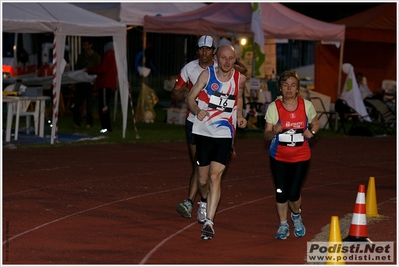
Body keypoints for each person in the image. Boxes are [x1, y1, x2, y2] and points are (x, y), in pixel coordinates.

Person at [186, 44, 247, 240]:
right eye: (223, 58)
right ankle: (203, 200)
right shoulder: (206, 75)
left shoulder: (240, 79)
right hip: (203, 131)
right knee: (202, 180)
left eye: (231, 58)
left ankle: (209, 222)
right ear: (217, 58)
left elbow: (238, 99)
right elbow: (190, 98)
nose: (227, 62)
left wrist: (240, 116)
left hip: (224, 133)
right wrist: (197, 111)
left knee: (214, 177)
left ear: (235, 60)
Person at [263, 69, 320, 240]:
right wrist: (273, 131)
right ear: (280, 88)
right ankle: (283, 224)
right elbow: (266, 135)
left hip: (301, 157)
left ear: (297, 89)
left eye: (292, 85)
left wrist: (312, 132)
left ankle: (296, 215)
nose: (289, 89)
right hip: (278, 157)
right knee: (281, 192)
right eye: (285, 85)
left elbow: (316, 124)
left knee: (293, 193)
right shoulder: (274, 107)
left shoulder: (306, 106)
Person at [173, 35, 218, 223]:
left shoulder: (221, 67)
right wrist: (187, 92)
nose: (205, 52)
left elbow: (242, 74)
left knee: (203, 164)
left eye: (208, 49)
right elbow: (175, 93)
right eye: (202, 49)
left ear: (214, 51)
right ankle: (197, 202)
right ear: (197, 51)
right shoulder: (189, 68)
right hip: (193, 120)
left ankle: (194, 202)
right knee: (198, 163)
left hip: (215, 121)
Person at [86, 42, 117, 133]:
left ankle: (106, 127)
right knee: (104, 105)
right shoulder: (115, 56)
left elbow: (103, 69)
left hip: (105, 84)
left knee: (103, 106)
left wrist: (91, 69)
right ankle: (106, 127)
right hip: (110, 84)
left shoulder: (109, 55)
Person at [73, 38, 101, 128]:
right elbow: (77, 68)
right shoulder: (81, 56)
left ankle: (89, 122)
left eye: (86, 45)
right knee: (78, 103)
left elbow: (99, 69)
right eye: (83, 45)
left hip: (90, 83)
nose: (84, 47)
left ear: (90, 45)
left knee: (90, 104)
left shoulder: (96, 57)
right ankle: (77, 121)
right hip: (81, 82)